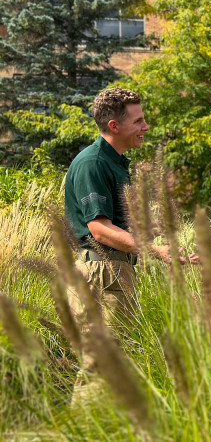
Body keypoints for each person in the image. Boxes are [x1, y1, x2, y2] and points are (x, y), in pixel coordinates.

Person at [63, 88, 197, 403]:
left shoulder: (116, 163)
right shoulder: (93, 163)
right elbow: (98, 228)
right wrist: (156, 251)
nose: (146, 127)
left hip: (114, 272)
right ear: (114, 126)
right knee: (101, 367)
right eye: (138, 121)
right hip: (101, 273)